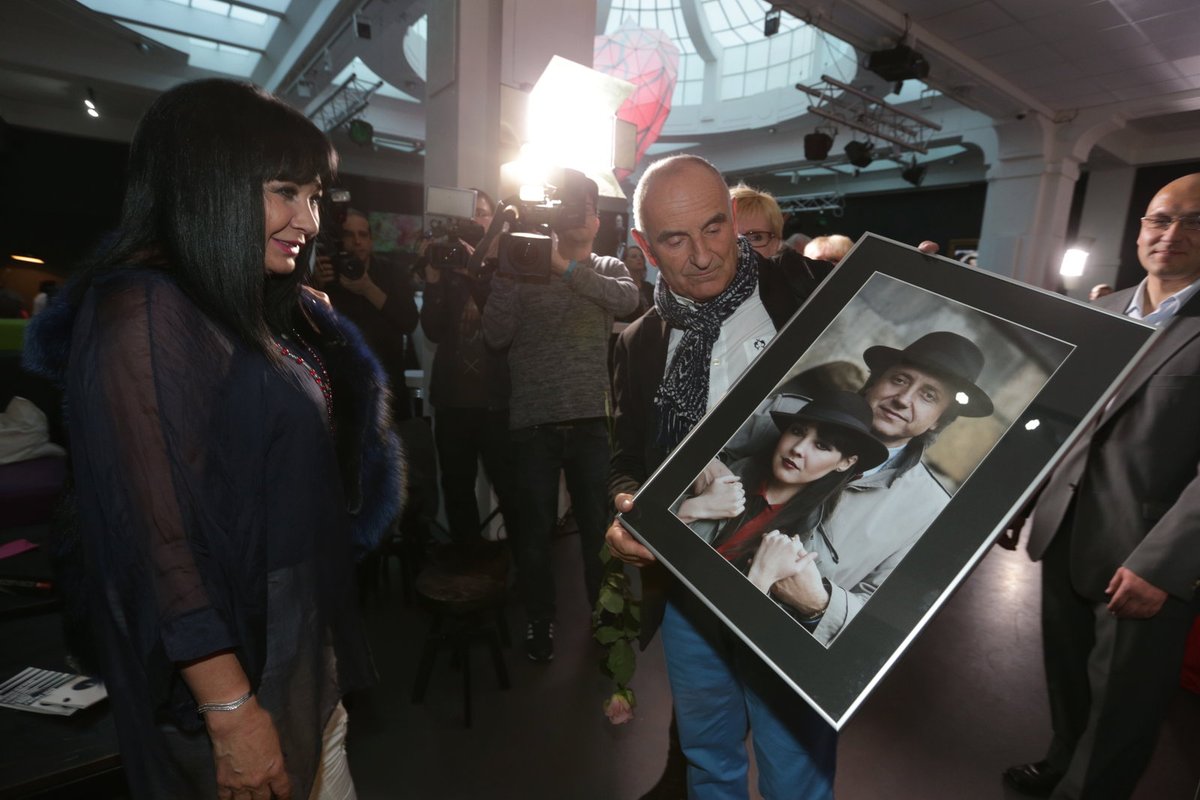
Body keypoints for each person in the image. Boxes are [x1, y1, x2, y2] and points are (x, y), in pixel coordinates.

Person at [22, 79, 403, 799]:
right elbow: (157, 538)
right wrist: (230, 712)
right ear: (210, 186)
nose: (309, 219)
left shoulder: (243, 304)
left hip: (296, 645)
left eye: (316, 196)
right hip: (235, 671)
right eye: (285, 191)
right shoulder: (143, 310)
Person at [607, 155, 846, 799]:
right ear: (643, 247)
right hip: (691, 589)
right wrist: (626, 505)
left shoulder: (811, 294)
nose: (704, 255)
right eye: (675, 240)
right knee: (707, 762)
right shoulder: (640, 341)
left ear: (736, 220)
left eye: (715, 228)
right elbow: (627, 456)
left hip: (789, 573)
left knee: (794, 771)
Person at [1002, 173, 1200, 800]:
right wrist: (1017, 498)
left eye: (1194, 221)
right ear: (1140, 229)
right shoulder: (1102, 310)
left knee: (1123, 708)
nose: (1171, 234)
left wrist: (1164, 566)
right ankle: (1060, 762)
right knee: (1067, 677)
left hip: (1145, 554)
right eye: (1159, 219)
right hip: (1063, 529)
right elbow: (1061, 420)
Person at [481, 170, 638, 661]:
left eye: (587, 207)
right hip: (533, 423)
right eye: (570, 206)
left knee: (599, 530)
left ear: (596, 219)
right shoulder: (523, 269)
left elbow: (628, 301)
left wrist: (563, 267)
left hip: (592, 421)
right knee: (533, 535)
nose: (580, 215)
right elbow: (494, 334)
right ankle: (539, 622)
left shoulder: (609, 266)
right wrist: (509, 270)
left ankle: (605, 616)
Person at [678, 392, 888, 624]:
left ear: (845, 463)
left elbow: (757, 631)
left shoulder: (808, 551)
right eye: (797, 431)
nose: (798, 448)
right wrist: (693, 508)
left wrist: (762, 577)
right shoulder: (721, 476)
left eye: (821, 445)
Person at [420, 188, 519, 557]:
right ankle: (467, 561)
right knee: (457, 487)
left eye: (483, 212)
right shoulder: (446, 265)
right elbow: (431, 330)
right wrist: (432, 280)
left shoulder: (505, 266)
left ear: (494, 221)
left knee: (509, 487)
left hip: (495, 403)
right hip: (452, 401)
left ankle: (515, 567)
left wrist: (475, 274)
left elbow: (505, 327)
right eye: (472, 212)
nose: (477, 218)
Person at [314, 207, 420, 418]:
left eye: (363, 235)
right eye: (349, 235)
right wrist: (315, 285)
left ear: (371, 240)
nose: (357, 241)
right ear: (339, 241)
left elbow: (408, 321)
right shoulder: (327, 272)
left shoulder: (393, 272)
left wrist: (368, 289)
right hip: (343, 389)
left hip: (388, 386)